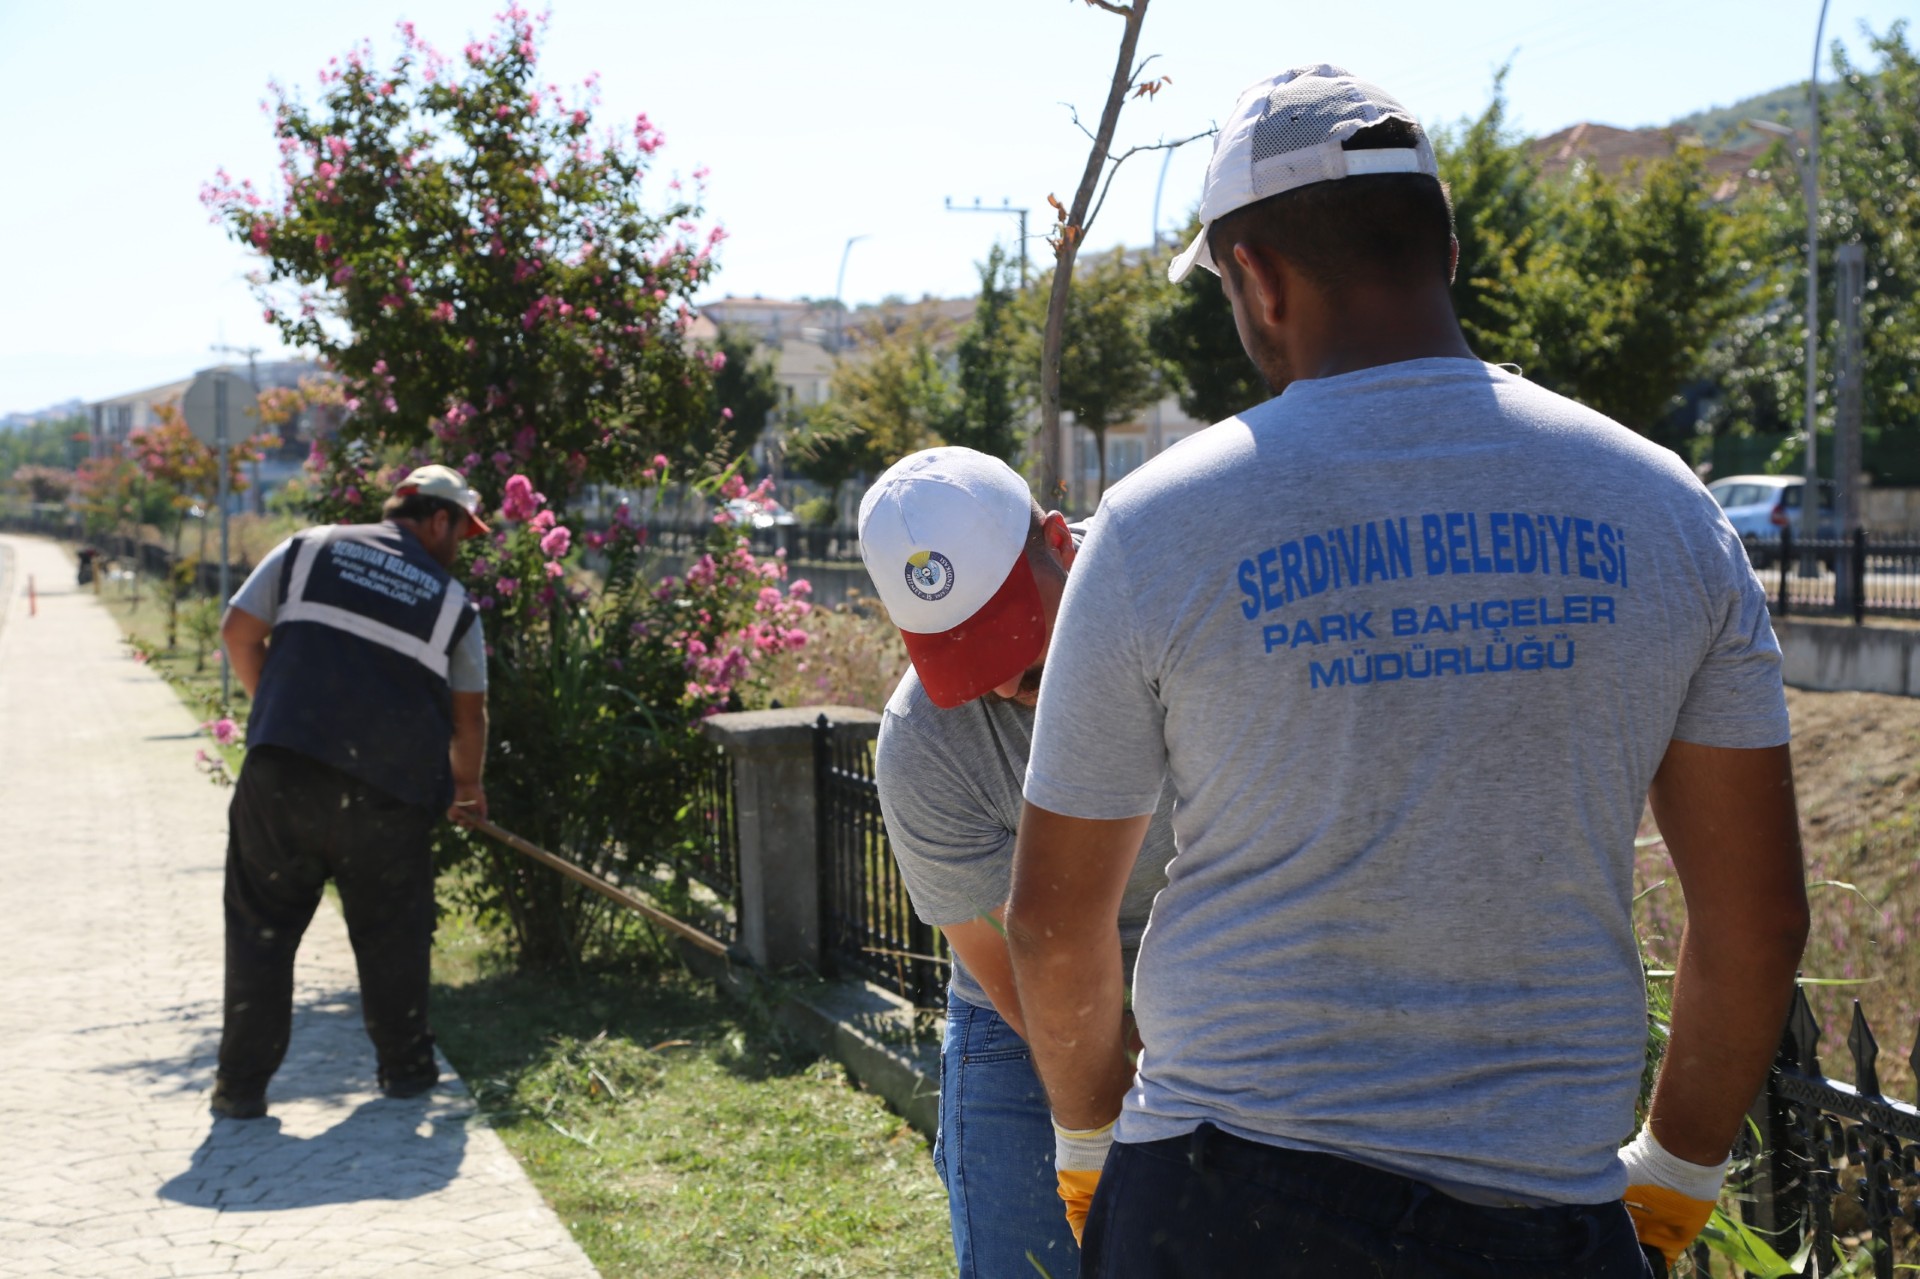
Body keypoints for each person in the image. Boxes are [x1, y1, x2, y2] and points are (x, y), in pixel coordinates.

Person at [1005, 64, 1809, 1278]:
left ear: (1257, 277)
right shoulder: (1667, 511)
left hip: (1225, 1207)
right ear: (1443, 245)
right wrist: (1679, 1174)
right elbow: (1756, 918)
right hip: (1541, 1218)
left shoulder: (1159, 525)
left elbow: (1056, 922)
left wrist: (1086, 1140)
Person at [858, 447, 1178, 1278]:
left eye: (1013, 635)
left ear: (1060, 540)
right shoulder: (923, 743)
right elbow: (1021, 970)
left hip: (1213, 985)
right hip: (1027, 1018)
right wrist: (1100, 1127)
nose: (1004, 684)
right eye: (965, 654)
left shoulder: (1179, 606)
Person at [210, 464, 493, 1120]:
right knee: (392, 929)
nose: (462, 546)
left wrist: (281, 717)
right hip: (386, 794)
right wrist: (467, 786)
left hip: (282, 772)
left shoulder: (307, 546)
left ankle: (241, 1088)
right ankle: (406, 1072)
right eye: (463, 531)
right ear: (438, 519)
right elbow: (469, 714)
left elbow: (237, 630)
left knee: (260, 928)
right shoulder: (453, 605)